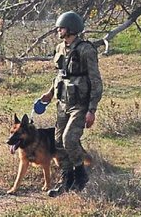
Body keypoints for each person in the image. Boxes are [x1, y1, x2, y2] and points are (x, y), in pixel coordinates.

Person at [40, 11, 103, 197]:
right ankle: (66, 181)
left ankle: (80, 175)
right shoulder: (60, 48)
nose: (59, 30)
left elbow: (96, 81)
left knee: (69, 139)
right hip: (62, 102)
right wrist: (50, 93)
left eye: (62, 27)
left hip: (80, 104)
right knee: (58, 142)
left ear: (72, 29)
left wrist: (92, 110)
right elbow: (60, 74)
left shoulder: (86, 50)